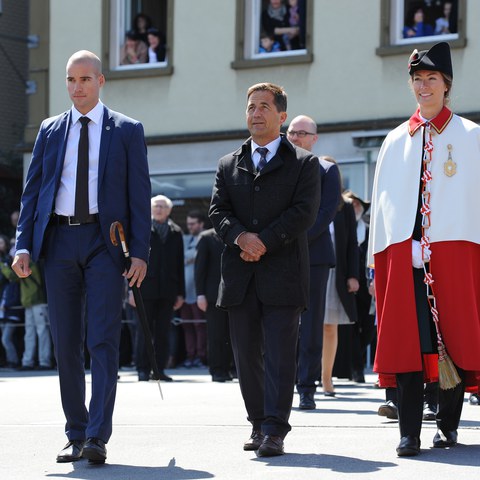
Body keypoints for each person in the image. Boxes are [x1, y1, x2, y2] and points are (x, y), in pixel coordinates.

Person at [12, 50, 151, 465]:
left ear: (101, 81)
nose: (77, 87)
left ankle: (96, 436)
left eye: (85, 79)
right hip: (58, 243)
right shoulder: (51, 129)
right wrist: (23, 243)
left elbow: (139, 196)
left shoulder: (127, 130)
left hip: (105, 243)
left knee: (102, 339)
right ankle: (75, 433)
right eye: (71, 80)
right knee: (66, 342)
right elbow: (32, 190)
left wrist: (140, 253)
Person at [368, 42, 480, 457]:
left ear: (446, 85)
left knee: (453, 339)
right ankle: (409, 431)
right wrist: (378, 261)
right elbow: (383, 205)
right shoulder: (396, 140)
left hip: (457, 252)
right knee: (409, 343)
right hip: (404, 256)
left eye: (431, 79)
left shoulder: (471, 137)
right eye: (417, 80)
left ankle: (448, 425)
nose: (423, 86)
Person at [209, 82, 321, 457]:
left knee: (279, 354)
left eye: (264, 107)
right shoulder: (228, 164)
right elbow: (217, 213)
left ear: (282, 115)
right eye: (251, 107)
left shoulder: (303, 164)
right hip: (240, 277)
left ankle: (275, 428)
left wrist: (264, 241)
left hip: (284, 275)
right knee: (245, 355)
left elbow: (303, 212)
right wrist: (242, 238)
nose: (256, 113)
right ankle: (257, 423)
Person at [286, 116, 341, 410]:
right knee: (280, 323)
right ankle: (280, 386)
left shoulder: (327, 170)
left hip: (314, 257)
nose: (295, 137)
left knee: (310, 325)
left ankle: (307, 387)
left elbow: (325, 213)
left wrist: (291, 239)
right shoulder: (277, 166)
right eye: (292, 132)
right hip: (278, 255)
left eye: (302, 133)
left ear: (314, 139)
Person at [133, 195, 184, 382]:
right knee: (143, 330)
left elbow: (179, 264)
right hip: (144, 287)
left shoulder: (176, 231)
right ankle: (142, 369)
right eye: (156, 206)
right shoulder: (142, 229)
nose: (159, 209)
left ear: (169, 210)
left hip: (168, 290)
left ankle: (159, 369)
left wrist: (181, 293)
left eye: (163, 206)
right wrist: (130, 290)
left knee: (163, 332)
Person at [322, 188, 359, 395]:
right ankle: (304, 376)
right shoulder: (305, 198)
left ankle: (326, 378)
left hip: (336, 272)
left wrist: (353, 275)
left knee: (329, 327)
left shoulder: (344, 207)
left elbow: (352, 243)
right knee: (304, 328)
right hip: (309, 272)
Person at [342, 190, 375, 384]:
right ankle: (357, 368)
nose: (355, 207)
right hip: (349, 284)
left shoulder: (369, 229)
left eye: (357, 204)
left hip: (368, 286)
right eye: (351, 204)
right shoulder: (344, 227)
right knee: (352, 328)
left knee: (369, 328)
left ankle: (358, 360)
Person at [195, 227, 234, 382]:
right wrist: (200, 294)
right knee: (216, 334)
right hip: (213, 295)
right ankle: (217, 369)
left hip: (234, 293)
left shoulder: (236, 234)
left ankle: (229, 368)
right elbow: (200, 268)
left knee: (233, 334)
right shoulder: (206, 237)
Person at [1, 259, 52, 370]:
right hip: (29, 304)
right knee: (29, 333)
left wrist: (2, 265)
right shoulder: (28, 265)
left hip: (38, 302)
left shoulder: (32, 265)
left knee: (42, 331)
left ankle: (45, 362)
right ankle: (27, 362)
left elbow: (11, 275)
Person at [179, 210, 207, 368]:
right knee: (187, 325)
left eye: (193, 224)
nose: (190, 227)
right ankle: (190, 355)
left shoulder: (206, 238)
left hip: (199, 292)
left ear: (201, 224)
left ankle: (201, 356)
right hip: (185, 291)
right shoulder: (186, 239)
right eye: (188, 224)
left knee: (199, 325)